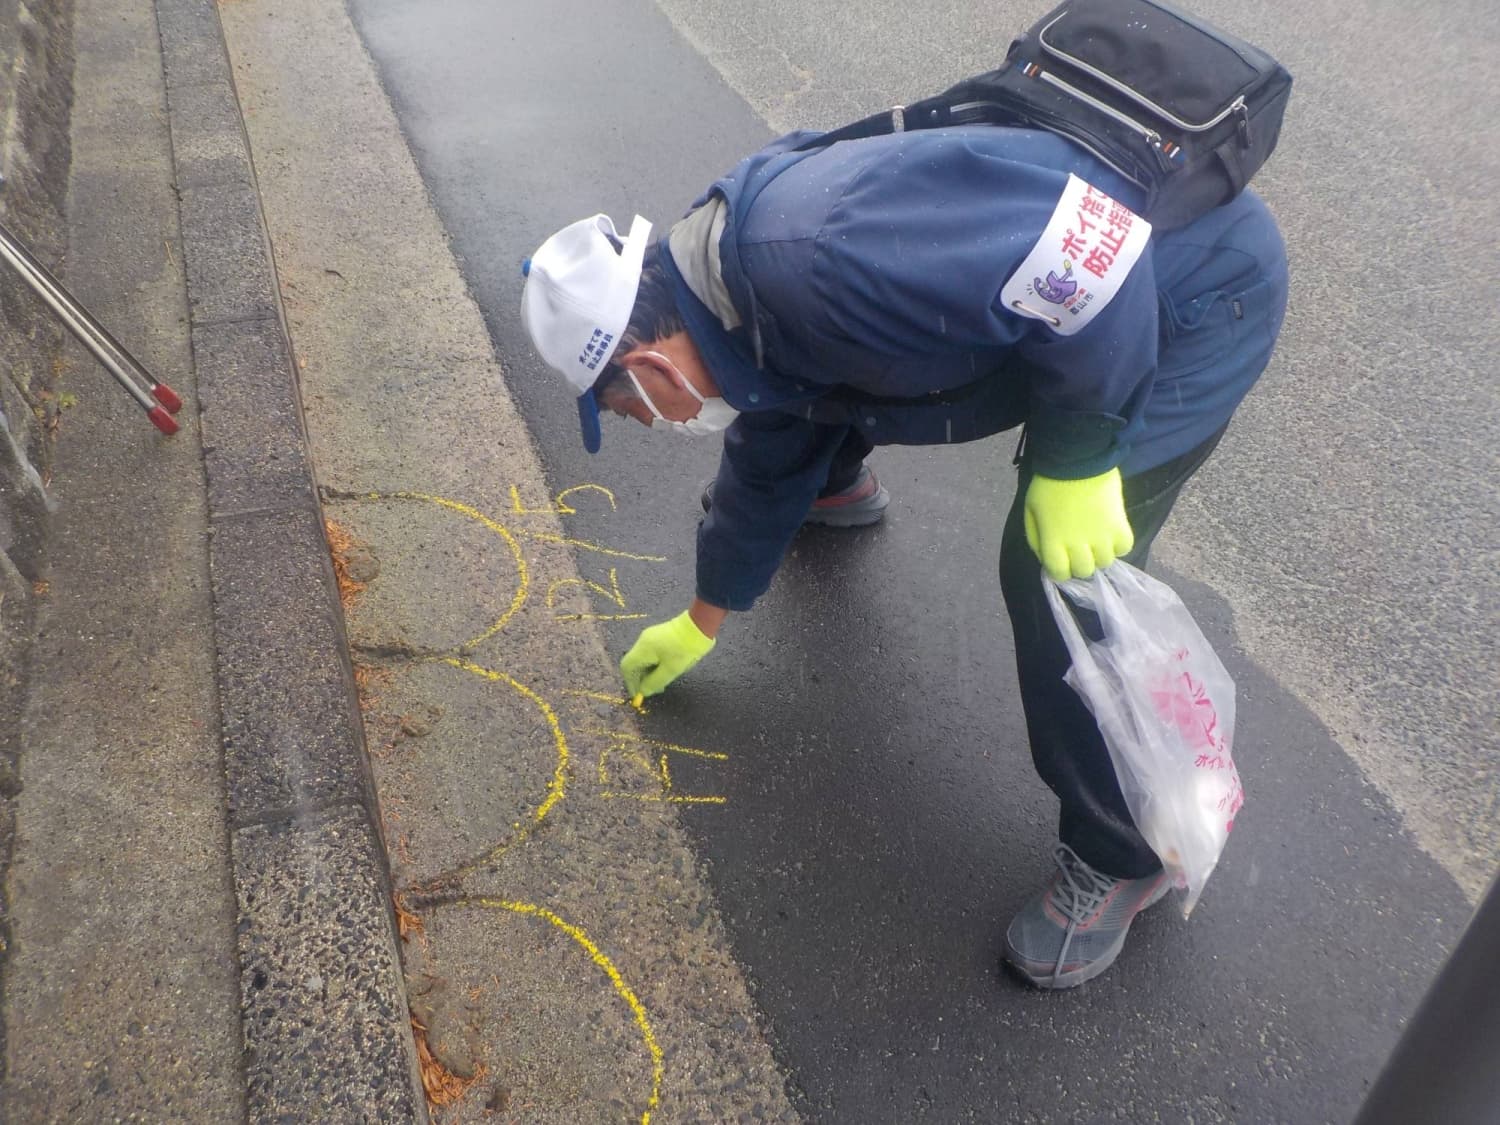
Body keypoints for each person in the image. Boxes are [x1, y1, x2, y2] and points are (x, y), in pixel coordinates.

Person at [519, 121, 1288, 988]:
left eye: (627, 412)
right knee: (816, 402)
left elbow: (1092, 251)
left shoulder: (810, 261)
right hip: (1086, 296)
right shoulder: (723, 299)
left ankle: (1126, 848)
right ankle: (840, 485)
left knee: (1054, 564)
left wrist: (1076, 461)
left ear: (650, 365)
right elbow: (777, 433)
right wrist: (705, 615)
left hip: (1183, 294)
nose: (649, 427)